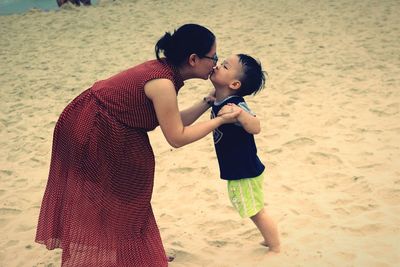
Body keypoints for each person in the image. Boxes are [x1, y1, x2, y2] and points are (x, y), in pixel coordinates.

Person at [35, 24, 241, 266]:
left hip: (106, 122)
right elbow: (177, 137)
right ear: (194, 59)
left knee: (127, 194)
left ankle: (139, 250)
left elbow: (172, 122)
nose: (216, 64)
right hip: (91, 125)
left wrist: (207, 102)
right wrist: (220, 120)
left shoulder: (166, 74)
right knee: (126, 195)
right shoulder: (163, 83)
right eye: (214, 57)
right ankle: (137, 254)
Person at [209, 54, 280, 253]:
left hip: (245, 168)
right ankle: (269, 239)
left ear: (234, 83)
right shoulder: (219, 98)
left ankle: (275, 246)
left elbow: (256, 126)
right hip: (237, 167)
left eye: (224, 66)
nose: (217, 66)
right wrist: (210, 99)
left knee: (255, 210)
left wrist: (240, 115)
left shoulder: (236, 104)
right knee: (252, 206)